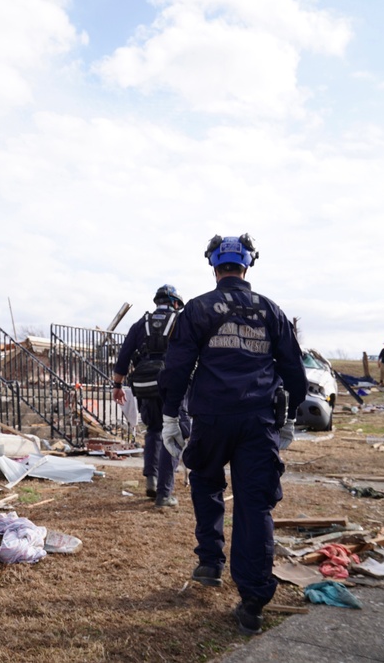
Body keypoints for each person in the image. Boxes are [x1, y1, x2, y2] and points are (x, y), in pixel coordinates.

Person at [158, 234, 307, 636]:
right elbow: (295, 369)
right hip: (258, 420)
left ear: (214, 265)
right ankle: (253, 603)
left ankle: (210, 562)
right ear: (247, 264)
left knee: (205, 484)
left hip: (211, 417)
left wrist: (171, 417)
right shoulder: (271, 311)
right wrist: (290, 416)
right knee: (254, 505)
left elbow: (176, 368)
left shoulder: (198, 309)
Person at [112, 285, 187, 507]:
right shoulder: (181, 322)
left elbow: (123, 357)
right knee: (172, 433)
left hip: (145, 385)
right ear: (175, 303)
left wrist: (117, 385)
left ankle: (152, 482)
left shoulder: (139, 325)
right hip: (173, 383)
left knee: (154, 430)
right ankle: (165, 493)